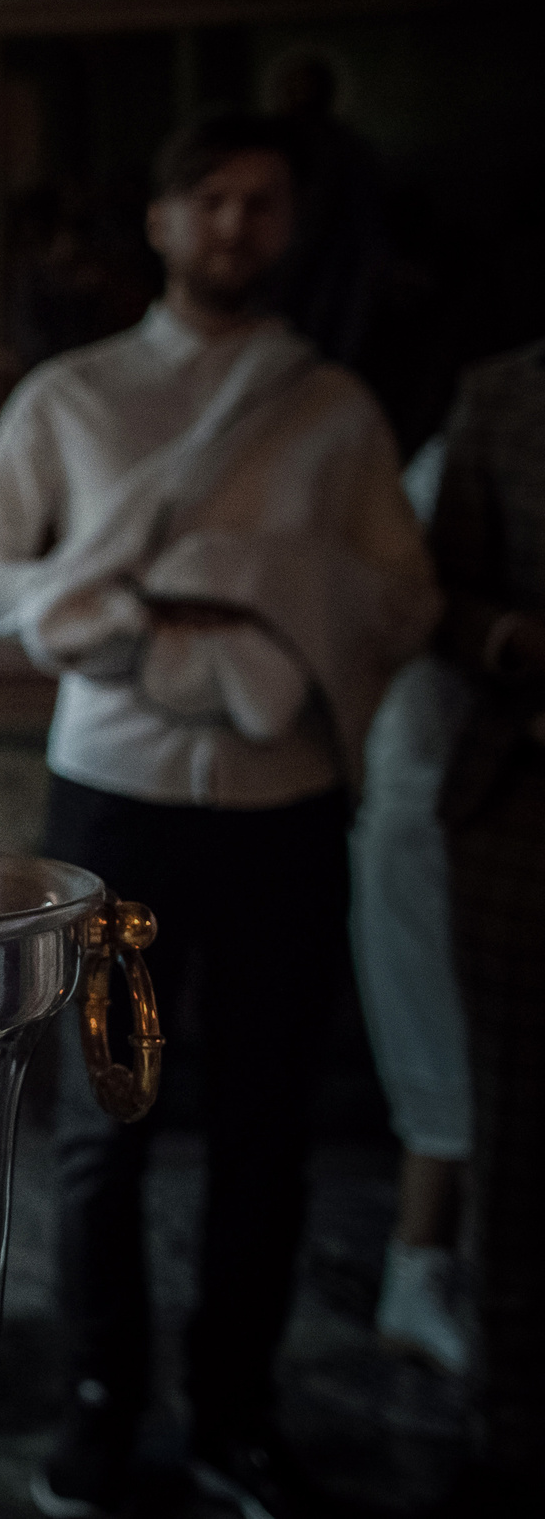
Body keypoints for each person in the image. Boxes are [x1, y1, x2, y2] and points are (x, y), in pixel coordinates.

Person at [0, 110, 439, 1519]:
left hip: (283, 798)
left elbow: (401, 599)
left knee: (269, 1120)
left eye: (262, 204)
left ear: (290, 228)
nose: (234, 227)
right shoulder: (75, 398)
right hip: (120, 788)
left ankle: (239, 1410)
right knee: (108, 1113)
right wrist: (95, 606)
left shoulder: (332, 410)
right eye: (208, 199)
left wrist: (271, 580)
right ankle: (102, 1402)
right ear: (159, 221)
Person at [428, 337, 545, 1517]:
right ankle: (504, 1432)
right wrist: (507, 639)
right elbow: (434, 592)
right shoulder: (504, 395)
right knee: (513, 1135)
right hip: (522, 808)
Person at [348, 431, 474, 1377]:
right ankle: (421, 1268)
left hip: (459, 786)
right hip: (424, 788)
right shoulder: (468, 449)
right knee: (439, 1043)